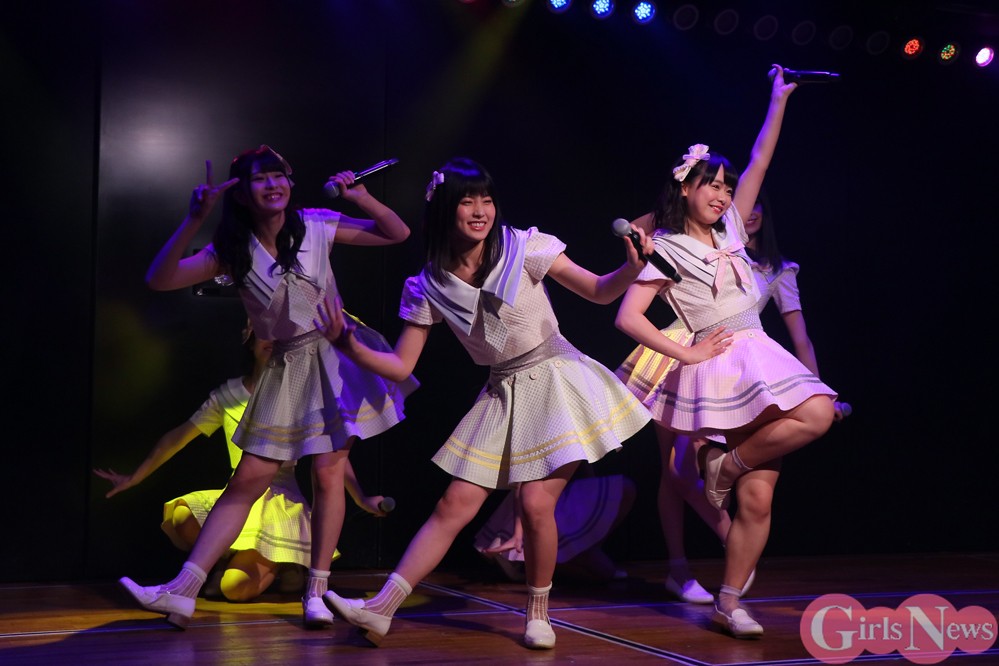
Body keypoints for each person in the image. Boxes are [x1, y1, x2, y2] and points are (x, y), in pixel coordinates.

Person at [314, 157, 653, 649]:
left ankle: (538, 614)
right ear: (444, 210)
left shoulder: (524, 246)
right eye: (467, 202)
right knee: (452, 504)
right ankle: (382, 609)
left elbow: (599, 292)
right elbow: (402, 366)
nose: (479, 211)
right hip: (503, 390)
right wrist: (347, 342)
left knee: (536, 503)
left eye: (486, 200)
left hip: (559, 379)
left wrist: (631, 269)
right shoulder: (428, 283)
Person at [119, 145, 417, 629]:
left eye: (279, 175)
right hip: (286, 367)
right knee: (247, 480)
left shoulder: (316, 224)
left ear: (290, 182)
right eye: (260, 179)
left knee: (329, 474)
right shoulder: (233, 251)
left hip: (335, 356)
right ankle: (182, 590)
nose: (272, 184)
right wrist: (194, 218)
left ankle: (317, 592)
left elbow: (396, 233)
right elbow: (160, 278)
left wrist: (360, 196)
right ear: (240, 194)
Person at [614, 66, 837, 638]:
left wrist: (778, 100)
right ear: (685, 189)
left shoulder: (734, 228)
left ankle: (729, 600)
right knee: (808, 426)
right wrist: (687, 356)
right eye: (710, 184)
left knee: (759, 496)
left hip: (760, 356)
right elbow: (627, 317)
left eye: (725, 186)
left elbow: (761, 158)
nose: (721, 194)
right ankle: (725, 469)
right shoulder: (666, 248)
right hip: (719, 365)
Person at [617, 194, 852, 606]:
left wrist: (816, 389)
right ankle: (681, 568)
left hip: (744, 361)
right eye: (722, 191)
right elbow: (642, 243)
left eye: (753, 201)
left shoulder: (773, 266)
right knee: (674, 472)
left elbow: (801, 339)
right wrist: (676, 207)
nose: (747, 206)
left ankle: (730, 558)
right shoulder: (694, 238)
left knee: (712, 476)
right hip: (686, 347)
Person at [95, 324, 393, 603]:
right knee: (182, 517)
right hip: (239, 495)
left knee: (234, 588)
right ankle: (228, 565)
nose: (271, 341)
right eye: (264, 332)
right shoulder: (230, 395)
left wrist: (361, 497)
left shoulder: (298, 398)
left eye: (280, 335)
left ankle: (283, 564)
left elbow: (330, 457)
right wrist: (135, 476)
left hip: (278, 503)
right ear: (250, 341)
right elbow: (177, 438)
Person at [474, 467, 635, 584]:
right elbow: (524, 485)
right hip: (540, 502)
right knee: (602, 571)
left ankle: (574, 554)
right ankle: (531, 562)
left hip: (565, 499)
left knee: (625, 488)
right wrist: (517, 533)